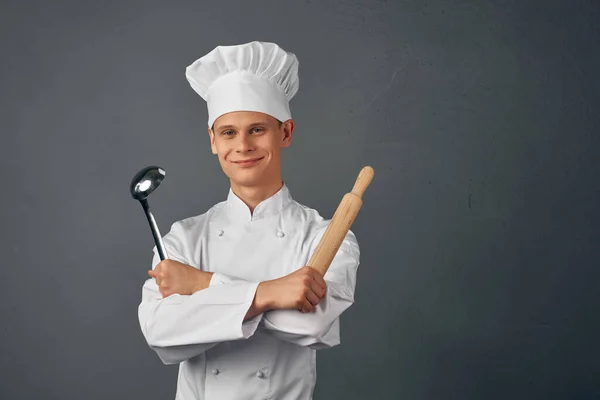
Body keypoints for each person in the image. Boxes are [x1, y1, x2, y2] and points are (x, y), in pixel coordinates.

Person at [137, 41, 361, 400]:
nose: (242, 145)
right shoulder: (182, 239)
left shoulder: (326, 237)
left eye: (257, 129)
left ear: (285, 132)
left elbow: (311, 324)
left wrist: (203, 284)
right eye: (228, 132)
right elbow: (162, 332)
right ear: (213, 140)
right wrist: (270, 293)